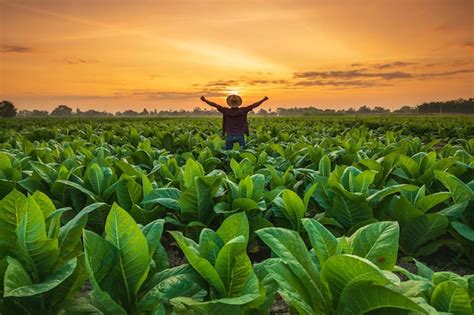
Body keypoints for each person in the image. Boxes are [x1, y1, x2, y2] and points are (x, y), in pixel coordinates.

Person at [201, 94, 269, 150]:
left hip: (230, 135)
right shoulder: (243, 110)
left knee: (228, 154)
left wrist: (205, 100)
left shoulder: (226, 110)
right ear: (238, 103)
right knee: (242, 153)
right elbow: (254, 105)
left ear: (229, 103)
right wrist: (263, 100)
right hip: (240, 135)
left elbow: (215, 105)